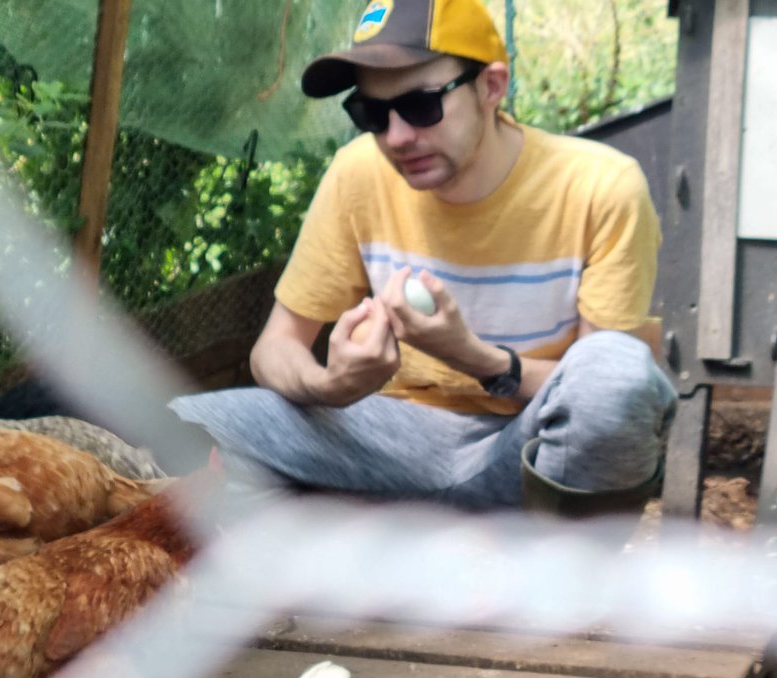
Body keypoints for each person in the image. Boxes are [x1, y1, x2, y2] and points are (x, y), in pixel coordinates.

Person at [171, 0, 677, 517]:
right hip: (395, 438)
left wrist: (475, 358)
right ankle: (380, 558)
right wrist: (330, 384)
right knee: (185, 424)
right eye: (370, 113)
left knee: (617, 375)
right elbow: (274, 349)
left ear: (491, 87)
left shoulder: (602, 186)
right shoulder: (358, 174)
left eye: (421, 106)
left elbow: (599, 388)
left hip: (529, 448)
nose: (397, 137)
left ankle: (551, 573)